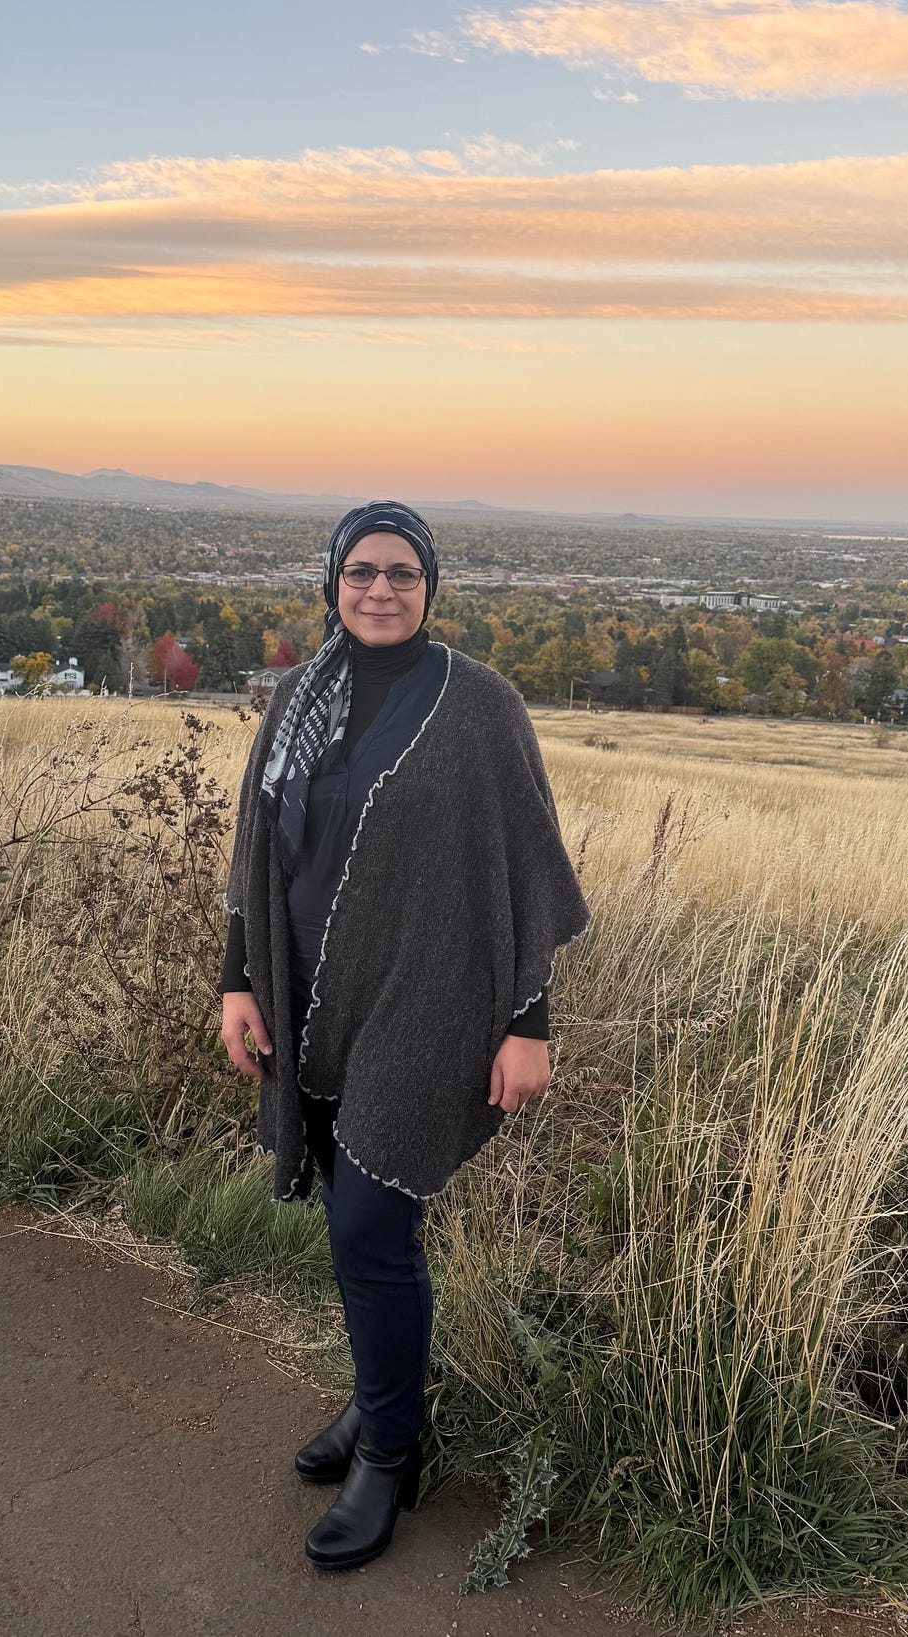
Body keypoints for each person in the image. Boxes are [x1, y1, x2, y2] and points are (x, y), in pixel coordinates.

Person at [219, 500, 591, 1573]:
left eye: (403, 575)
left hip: (423, 1005)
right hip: (305, 1001)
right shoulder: (296, 698)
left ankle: (389, 1451)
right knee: (355, 1223)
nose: (380, 591)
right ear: (331, 582)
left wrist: (530, 1023)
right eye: (361, 572)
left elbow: (525, 872)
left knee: (368, 1229)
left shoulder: (478, 706)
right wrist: (238, 983)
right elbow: (258, 859)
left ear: (432, 588)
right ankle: (379, 1399)